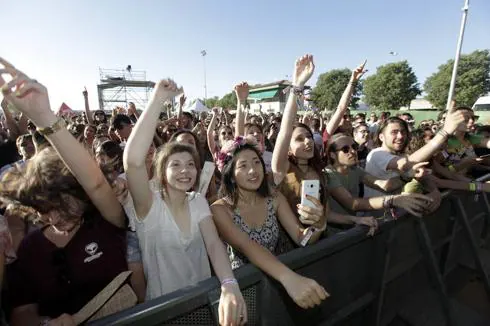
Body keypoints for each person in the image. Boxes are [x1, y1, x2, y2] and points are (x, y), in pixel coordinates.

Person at [0, 57, 128, 326]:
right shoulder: (30, 249)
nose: (54, 219)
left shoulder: (106, 222)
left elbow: (94, 182)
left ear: (79, 192)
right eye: (44, 211)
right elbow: (20, 313)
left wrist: (44, 116)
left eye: (62, 206)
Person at [123, 78, 247, 325]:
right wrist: (157, 100)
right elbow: (134, 162)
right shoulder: (148, 205)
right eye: (176, 164)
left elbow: (213, 244)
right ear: (161, 171)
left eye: (190, 164)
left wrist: (229, 284)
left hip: (202, 305)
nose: (185, 170)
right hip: (164, 313)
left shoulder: (197, 201)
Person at [211, 136, 329, 309]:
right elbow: (247, 245)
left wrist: (318, 225)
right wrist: (289, 278)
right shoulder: (220, 209)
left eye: (256, 163)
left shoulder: (275, 199)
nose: (253, 170)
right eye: (243, 166)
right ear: (231, 175)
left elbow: (300, 238)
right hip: (242, 292)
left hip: (274, 286)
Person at [364, 112, 466, 216]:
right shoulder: (377, 154)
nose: (400, 136)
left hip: (394, 217)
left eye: (403, 132)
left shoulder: (402, 155)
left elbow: (423, 177)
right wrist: (444, 133)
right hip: (375, 220)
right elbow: (404, 165)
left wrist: (434, 191)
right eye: (394, 132)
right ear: (381, 137)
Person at [324, 134, 432, 224]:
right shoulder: (328, 174)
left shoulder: (355, 170)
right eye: (345, 149)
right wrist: (392, 200)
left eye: (354, 147)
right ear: (332, 155)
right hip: (332, 235)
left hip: (351, 227)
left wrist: (408, 175)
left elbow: (384, 185)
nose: (352, 151)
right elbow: (352, 203)